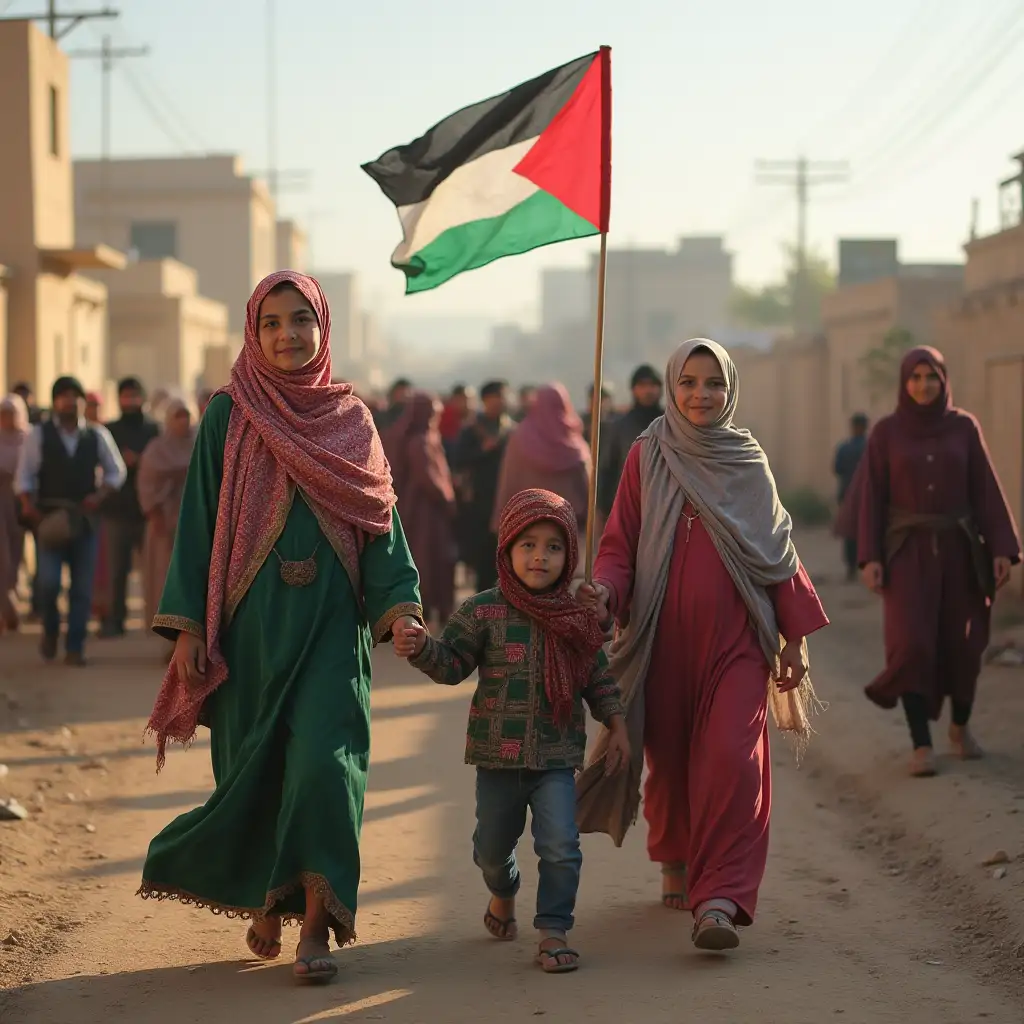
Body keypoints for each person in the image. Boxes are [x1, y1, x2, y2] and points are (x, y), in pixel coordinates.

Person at [139, 270, 422, 985]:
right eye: (271, 322)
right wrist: (186, 626)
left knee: (326, 771)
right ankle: (268, 896)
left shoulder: (352, 418)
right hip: (250, 632)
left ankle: (316, 931)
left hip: (332, 630)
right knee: (257, 774)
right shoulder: (229, 414)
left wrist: (402, 605)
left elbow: (380, 520)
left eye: (302, 320)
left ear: (323, 327)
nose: (288, 334)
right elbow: (197, 522)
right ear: (251, 331)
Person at [576, 338, 828, 953]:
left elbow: (776, 550)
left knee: (732, 762)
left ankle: (720, 897)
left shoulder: (748, 460)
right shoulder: (646, 455)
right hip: (661, 641)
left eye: (713, 383)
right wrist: (605, 592)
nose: (700, 394)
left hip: (739, 641)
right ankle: (675, 853)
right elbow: (618, 543)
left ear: (730, 390)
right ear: (672, 385)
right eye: (688, 382)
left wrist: (793, 638)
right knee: (671, 764)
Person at [394, 488, 629, 974]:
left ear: (569, 557)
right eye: (528, 544)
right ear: (506, 549)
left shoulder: (576, 619)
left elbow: (598, 679)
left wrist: (618, 726)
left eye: (553, 546)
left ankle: (553, 930)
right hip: (496, 761)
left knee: (561, 846)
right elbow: (452, 664)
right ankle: (503, 892)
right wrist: (420, 647)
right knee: (492, 851)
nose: (540, 556)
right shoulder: (482, 610)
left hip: (556, 758)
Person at [857, 347, 1020, 778]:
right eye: (915, 377)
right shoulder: (886, 434)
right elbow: (872, 498)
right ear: (903, 382)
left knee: (964, 647)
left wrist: (1001, 547)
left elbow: (985, 487)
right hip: (906, 555)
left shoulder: (963, 427)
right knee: (911, 644)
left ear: (943, 380)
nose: (923, 385)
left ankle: (960, 727)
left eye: (931, 377)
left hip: (960, 553)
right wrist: (870, 557)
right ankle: (921, 744)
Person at [15, 376, 126, 666]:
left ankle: (75, 647)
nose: (69, 401)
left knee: (82, 588)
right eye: (63, 396)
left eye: (73, 396)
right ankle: (50, 630)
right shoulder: (38, 435)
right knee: (48, 584)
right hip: (49, 520)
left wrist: (99, 495)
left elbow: (117, 471)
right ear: (55, 402)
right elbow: (23, 476)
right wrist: (30, 508)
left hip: (85, 522)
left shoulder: (96, 435)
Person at [384, 391, 457, 626]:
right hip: (425, 511)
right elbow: (428, 479)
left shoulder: (422, 438)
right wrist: (447, 498)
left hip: (421, 511)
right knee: (427, 560)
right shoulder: (419, 442)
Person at [492, 383, 591, 545]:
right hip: (568, 524)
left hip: (527, 522)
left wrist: (500, 520)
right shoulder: (576, 443)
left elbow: (508, 481)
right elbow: (588, 487)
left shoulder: (520, 437)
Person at [99, 377, 159, 638]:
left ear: (143, 399)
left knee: (154, 572)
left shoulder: (154, 430)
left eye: (134, 396)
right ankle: (114, 620)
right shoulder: (109, 430)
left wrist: (142, 460)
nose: (130, 401)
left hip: (148, 513)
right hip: (116, 512)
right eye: (125, 396)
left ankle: (156, 621)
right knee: (116, 571)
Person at [136, 398, 196, 653]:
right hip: (163, 525)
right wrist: (154, 512)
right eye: (177, 416)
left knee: (192, 582)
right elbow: (146, 483)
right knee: (163, 580)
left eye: (186, 415)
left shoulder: (200, 444)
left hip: (194, 525)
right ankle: (168, 641)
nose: (182, 421)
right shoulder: (156, 449)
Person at [456, 380, 514, 591]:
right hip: (480, 502)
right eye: (496, 397)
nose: (501, 402)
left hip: (507, 499)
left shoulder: (511, 429)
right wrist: (483, 451)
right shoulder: (471, 430)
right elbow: (459, 460)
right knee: (483, 559)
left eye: (503, 397)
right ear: (485, 400)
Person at [596, 364, 664, 521]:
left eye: (652, 385)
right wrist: (604, 508)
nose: (648, 391)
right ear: (633, 389)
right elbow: (608, 468)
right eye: (642, 385)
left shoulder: (671, 424)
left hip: (664, 504)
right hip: (628, 504)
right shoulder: (620, 426)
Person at [0, 394, 29, 634]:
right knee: (3, 557)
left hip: (25, 503)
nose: (8, 419)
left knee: (17, 555)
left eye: (12, 413)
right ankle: (7, 610)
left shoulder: (30, 438)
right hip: (1, 501)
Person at [833, 413, 869, 581]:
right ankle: (866, 564)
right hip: (868, 494)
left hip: (847, 493)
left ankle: (851, 567)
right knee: (867, 529)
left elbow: (837, 469)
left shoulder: (844, 448)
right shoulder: (871, 447)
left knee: (850, 532)